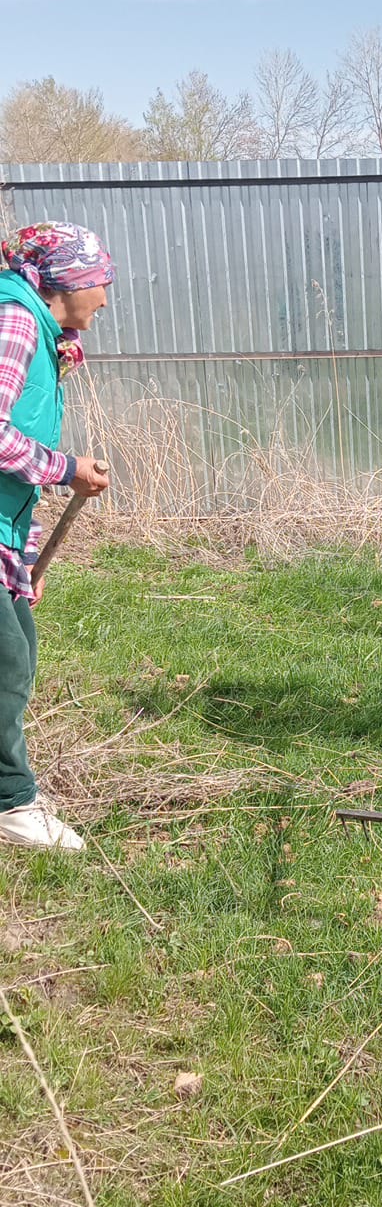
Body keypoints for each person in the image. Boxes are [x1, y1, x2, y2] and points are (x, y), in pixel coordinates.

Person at [0, 222, 114, 850]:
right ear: (65, 282)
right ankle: (11, 803)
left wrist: (21, 555)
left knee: (16, 648)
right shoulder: (15, 321)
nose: (105, 298)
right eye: (100, 281)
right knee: (6, 663)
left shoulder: (38, 332)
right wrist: (66, 468)